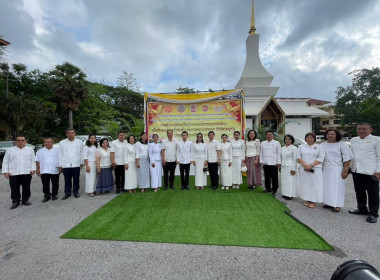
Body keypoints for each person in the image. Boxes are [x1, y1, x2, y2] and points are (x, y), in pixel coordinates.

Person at [349, 123, 380, 223]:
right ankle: (362, 209)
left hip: (370, 171)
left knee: (373, 194)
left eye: (364, 129)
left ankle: (373, 213)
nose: (361, 131)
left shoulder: (377, 140)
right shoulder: (354, 140)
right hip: (356, 170)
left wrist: (378, 172)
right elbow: (351, 155)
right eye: (359, 129)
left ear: (370, 129)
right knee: (359, 191)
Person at [321, 129, 352, 212]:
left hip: (337, 168)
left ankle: (337, 205)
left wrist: (345, 170)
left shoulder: (342, 145)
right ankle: (328, 202)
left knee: (337, 187)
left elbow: (347, 158)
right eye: (328, 134)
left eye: (332, 134)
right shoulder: (323, 145)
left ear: (337, 135)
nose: (330, 135)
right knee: (327, 186)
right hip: (326, 168)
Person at [2, 136, 36, 209]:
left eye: (22, 140)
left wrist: (33, 169)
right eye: (18, 140)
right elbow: (5, 161)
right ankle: (15, 201)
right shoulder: (10, 150)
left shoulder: (30, 150)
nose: (20, 141)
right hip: (13, 172)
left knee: (26, 187)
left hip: (26, 172)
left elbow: (33, 160)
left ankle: (25, 200)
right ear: (15, 142)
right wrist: (5, 171)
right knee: (14, 188)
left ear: (25, 141)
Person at [297, 133, 325, 209]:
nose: (309, 139)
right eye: (308, 137)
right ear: (305, 139)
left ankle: (313, 201)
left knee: (314, 185)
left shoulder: (319, 147)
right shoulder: (301, 147)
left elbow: (321, 158)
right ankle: (308, 200)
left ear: (314, 138)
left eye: (311, 137)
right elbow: (298, 156)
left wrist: (311, 165)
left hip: (315, 169)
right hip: (304, 168)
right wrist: (305, 165)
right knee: (306, 184)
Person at [59, 128, 83, 200]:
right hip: (66, 164)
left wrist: (81, 162)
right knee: (67, 179)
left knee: (76, 178)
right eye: (69, 133)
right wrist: (60, 164)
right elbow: (60, 154)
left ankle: (76, 192)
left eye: (72, 133)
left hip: (76, 163)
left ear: (75, 134)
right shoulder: (62, 142)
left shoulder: (79, 142)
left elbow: (81, 152)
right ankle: (67, 193)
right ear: (66, 134)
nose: (71, 134)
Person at [35, 138, 60, 202]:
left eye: (48, 142)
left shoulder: (57, 151)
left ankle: (54, 194)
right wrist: (37, 169)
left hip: (54, 169)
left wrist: (60, 167)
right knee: (45, 184)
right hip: (44, 170)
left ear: (52, 143)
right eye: (45, 142)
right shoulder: (39, 151)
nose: (46, 143)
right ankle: (47, 195)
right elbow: (37, 161)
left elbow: (60, 160)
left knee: (55, 183)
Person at [260, 130, 281, 195]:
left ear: (273, 136)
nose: (269, 136)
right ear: (266, 136)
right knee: (267, 177)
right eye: (268, 135)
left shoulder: (277, 143)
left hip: (274, 163)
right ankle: (267, 188)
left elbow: (279, 153)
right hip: (265, 163)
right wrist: (261, 161)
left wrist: (278, 162)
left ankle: (274, 189)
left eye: (270, 135)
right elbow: (261, 152)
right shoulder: (263, 143)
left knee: (274, 177)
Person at [280, 135, 298, 200]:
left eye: (289, 139)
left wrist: (293, 169)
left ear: (292, 140)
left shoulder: (294, 148)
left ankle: (290, 194)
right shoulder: (282, 148)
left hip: (290, 166)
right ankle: (285, 193)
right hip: (284, 166)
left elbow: (295, 159)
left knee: (290, 181)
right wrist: (280, 166)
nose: (287, 140)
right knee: (284, 180)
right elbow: (281, 157)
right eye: (286, 139)